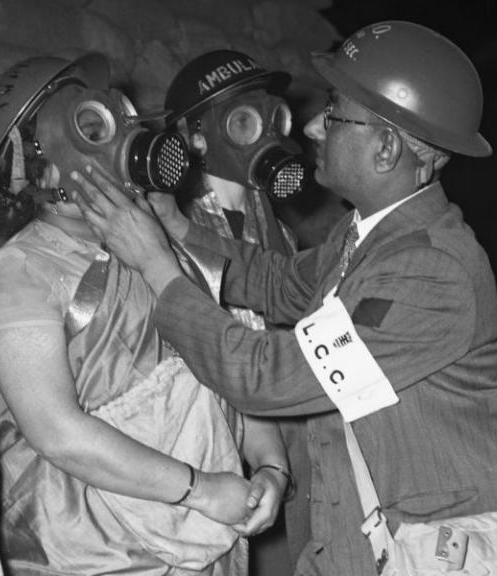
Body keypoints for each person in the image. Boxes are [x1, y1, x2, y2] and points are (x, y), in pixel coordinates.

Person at [72, 20, 497, 576]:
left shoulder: (430, 272)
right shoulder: (370, 235)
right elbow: (281, 283)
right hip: (362, 548)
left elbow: (265, 378)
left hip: (424, 554)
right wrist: (179, 230)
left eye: (334, 113)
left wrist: (156, 266)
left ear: (385, 148)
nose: (311, 127)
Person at [0, 53, 290, 575]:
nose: (116, 139)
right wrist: (199, 490)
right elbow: (57, 433)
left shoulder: (161, 247)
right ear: (34, 167)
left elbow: (220, 362)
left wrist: (271, 466)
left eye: (115, 118)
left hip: (210, 545)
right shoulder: (13, 274)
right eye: (91, 129)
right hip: (98, 558)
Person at [162, 49, 308, 574]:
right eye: (243, 122)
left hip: (292, 446)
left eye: (275, 119)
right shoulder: (173, 237)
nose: (266, 133)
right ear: (197, 137)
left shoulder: (282, 234)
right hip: (222, 455)